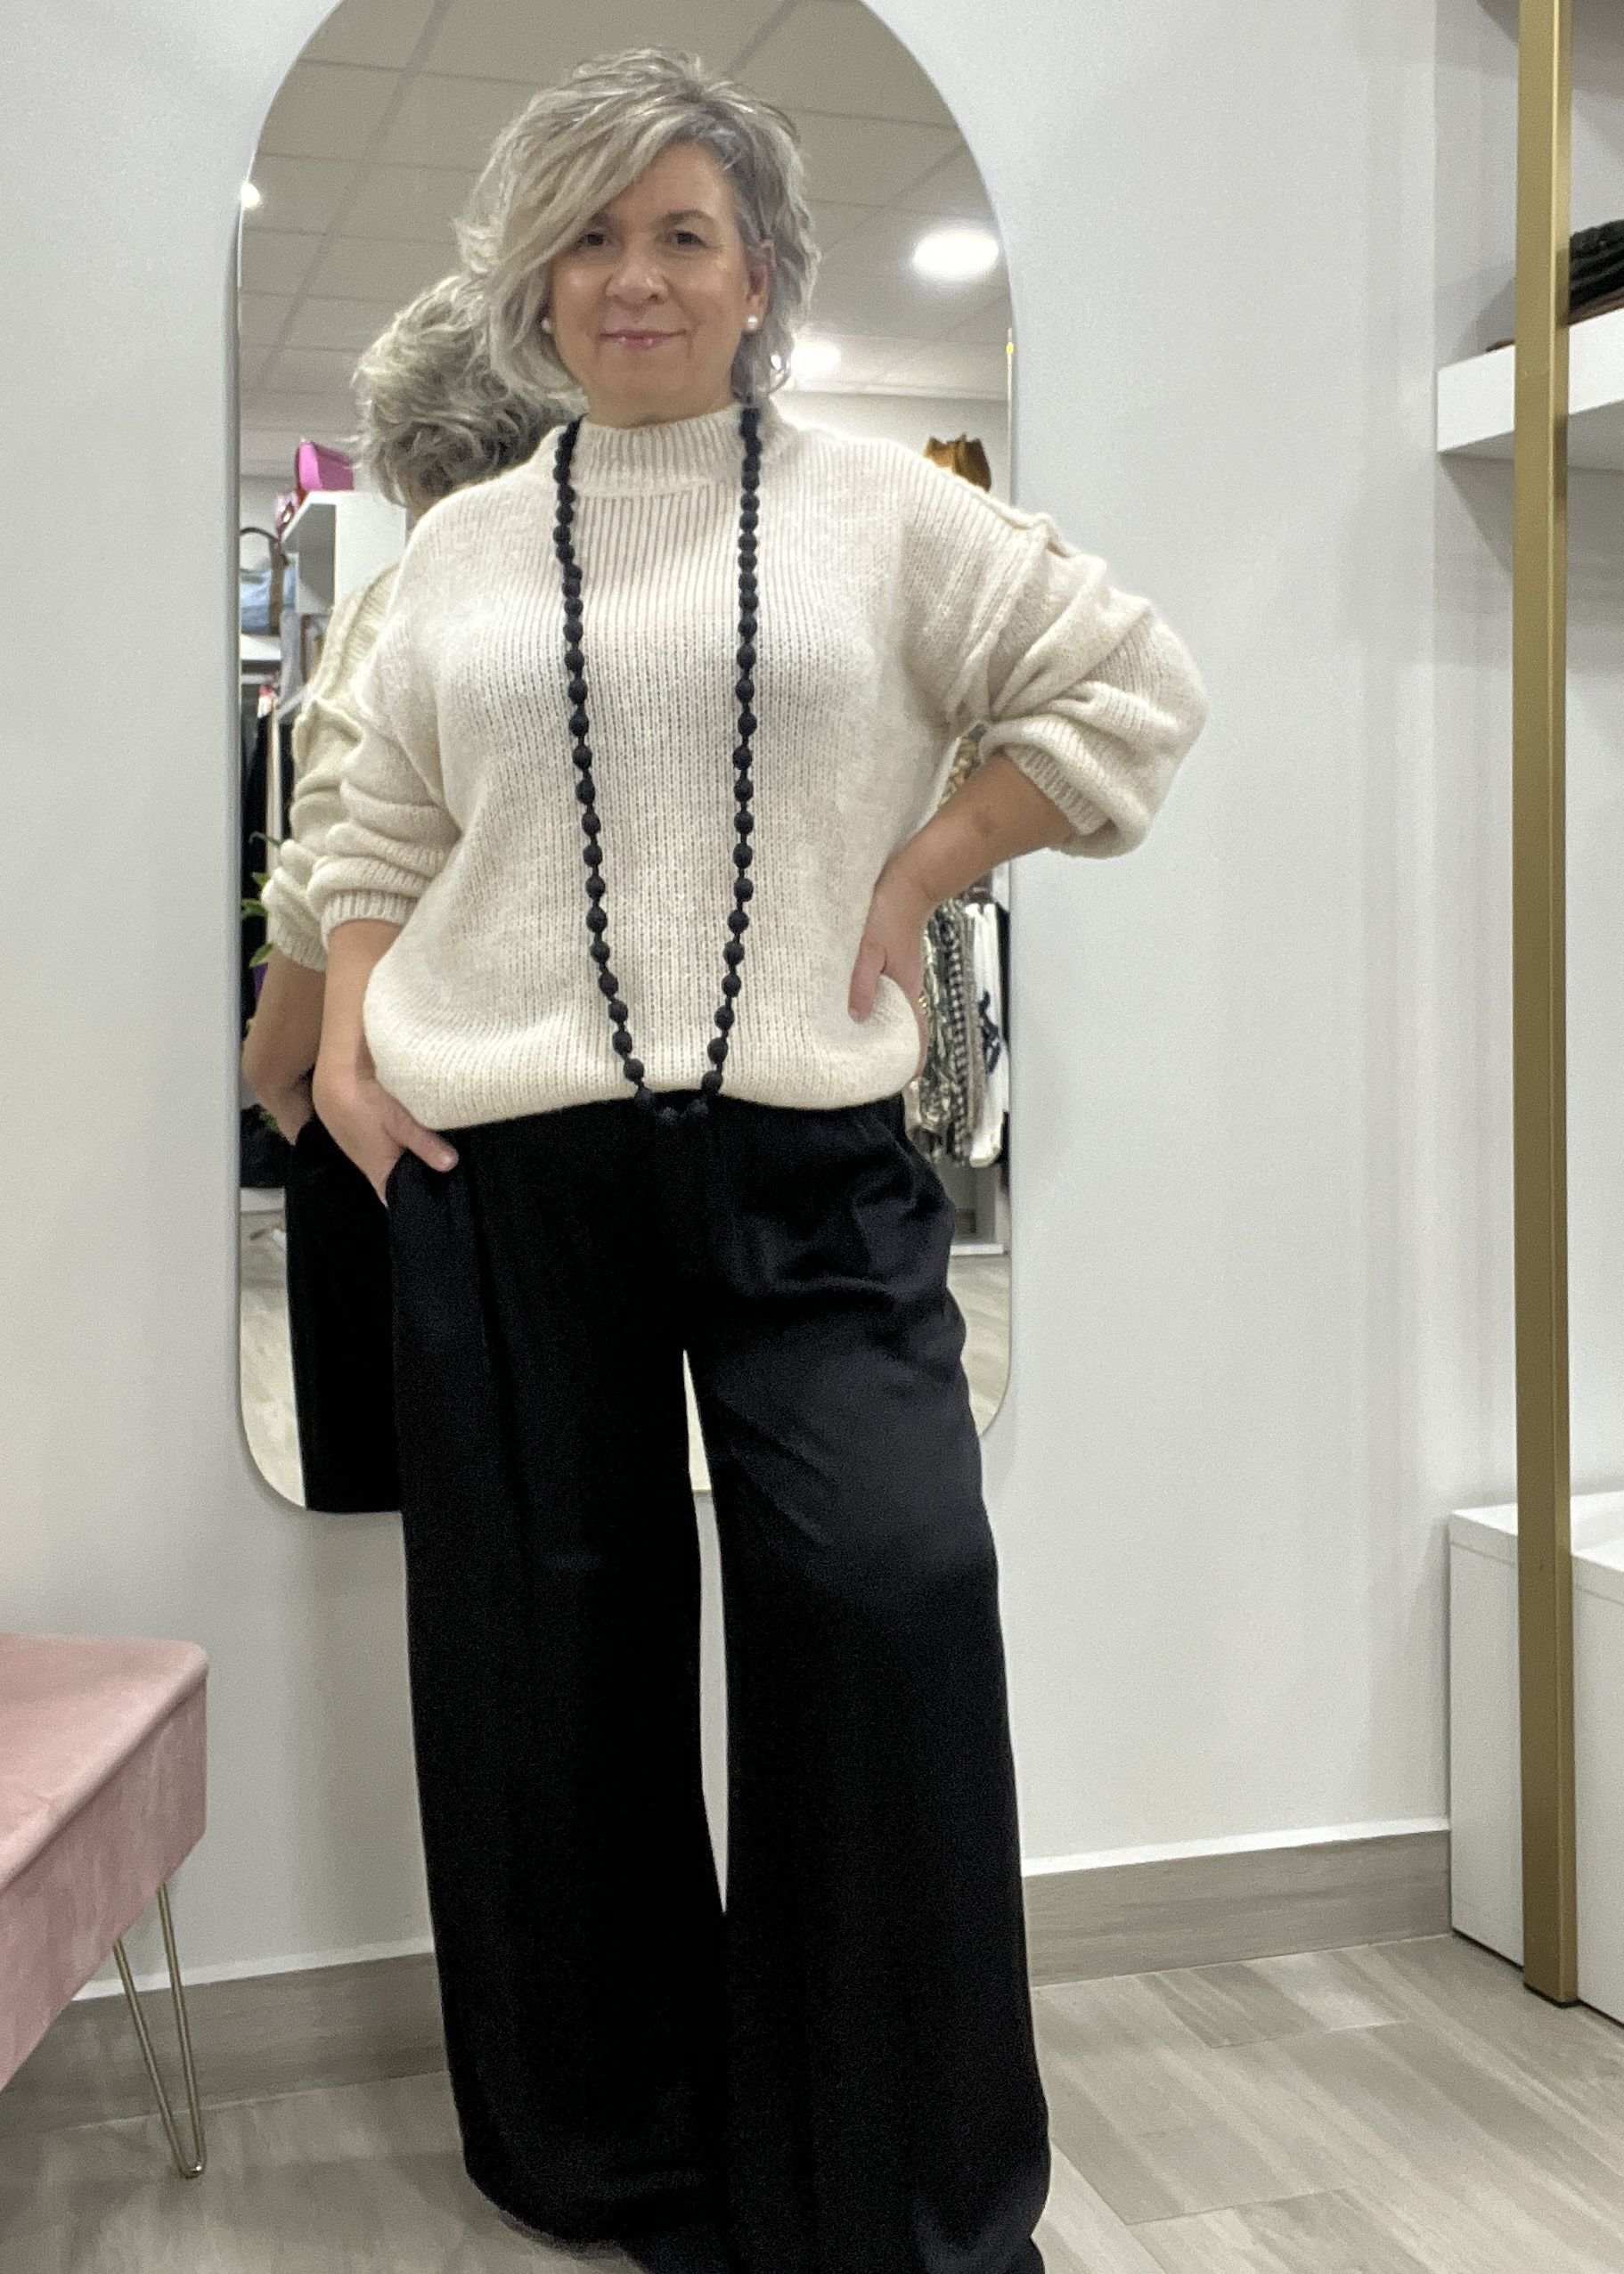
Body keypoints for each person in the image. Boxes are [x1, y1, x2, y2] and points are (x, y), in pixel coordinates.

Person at [306, 45, 1211, 2274]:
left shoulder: (884, 510)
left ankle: (898, 2192)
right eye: (591, 236)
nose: (635, 276)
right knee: (546, 1658)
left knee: (889, 1605)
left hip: (809, 1166)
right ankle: (615, 2150)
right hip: (505, 1173)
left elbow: (1124, 690)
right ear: (535, 280)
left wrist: (921, 870)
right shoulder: (452, 556)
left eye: (682, 232)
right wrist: (344, 1027)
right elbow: (368, 812)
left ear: (763, 269)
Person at [241, 276, 557, 1509]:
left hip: (397, 1115)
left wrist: (276, 1063)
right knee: (560, 1505)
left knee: (393, 1514)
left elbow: (332, 865)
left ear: (408, 445)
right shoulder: (622, 599)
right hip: (572, 1119)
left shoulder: (409, 602)